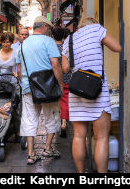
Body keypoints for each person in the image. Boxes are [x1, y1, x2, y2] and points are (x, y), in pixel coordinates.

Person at [61, 17, 121, 173]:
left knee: (79, 136)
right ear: (94, 24)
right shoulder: (96, 29)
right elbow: (117, 47)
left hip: (77, 91)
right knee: (102, 137)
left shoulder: (70, 38)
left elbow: (66, 68)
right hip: (96, 91)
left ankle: (81, 174)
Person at [16, 16, 63, 165]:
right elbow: (55, 65)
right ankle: (48, 148)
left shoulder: (22, 45)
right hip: (48, 87)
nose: (48, 31)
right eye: (48, 28)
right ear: (43, 27)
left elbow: (18, 70)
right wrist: (60, 84)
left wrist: (24, 83)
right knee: (52, 116)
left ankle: (31, 153)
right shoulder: (48, 41)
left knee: (29, 119)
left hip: (29, 87)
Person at [51, 26, 71, 138]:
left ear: (52, 36)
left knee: (55, 102)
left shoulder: (51, 48)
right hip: (67, 77)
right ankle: (64, 122)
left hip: (54, 79)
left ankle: (56, 122)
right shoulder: (66, 47)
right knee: (65, 101)